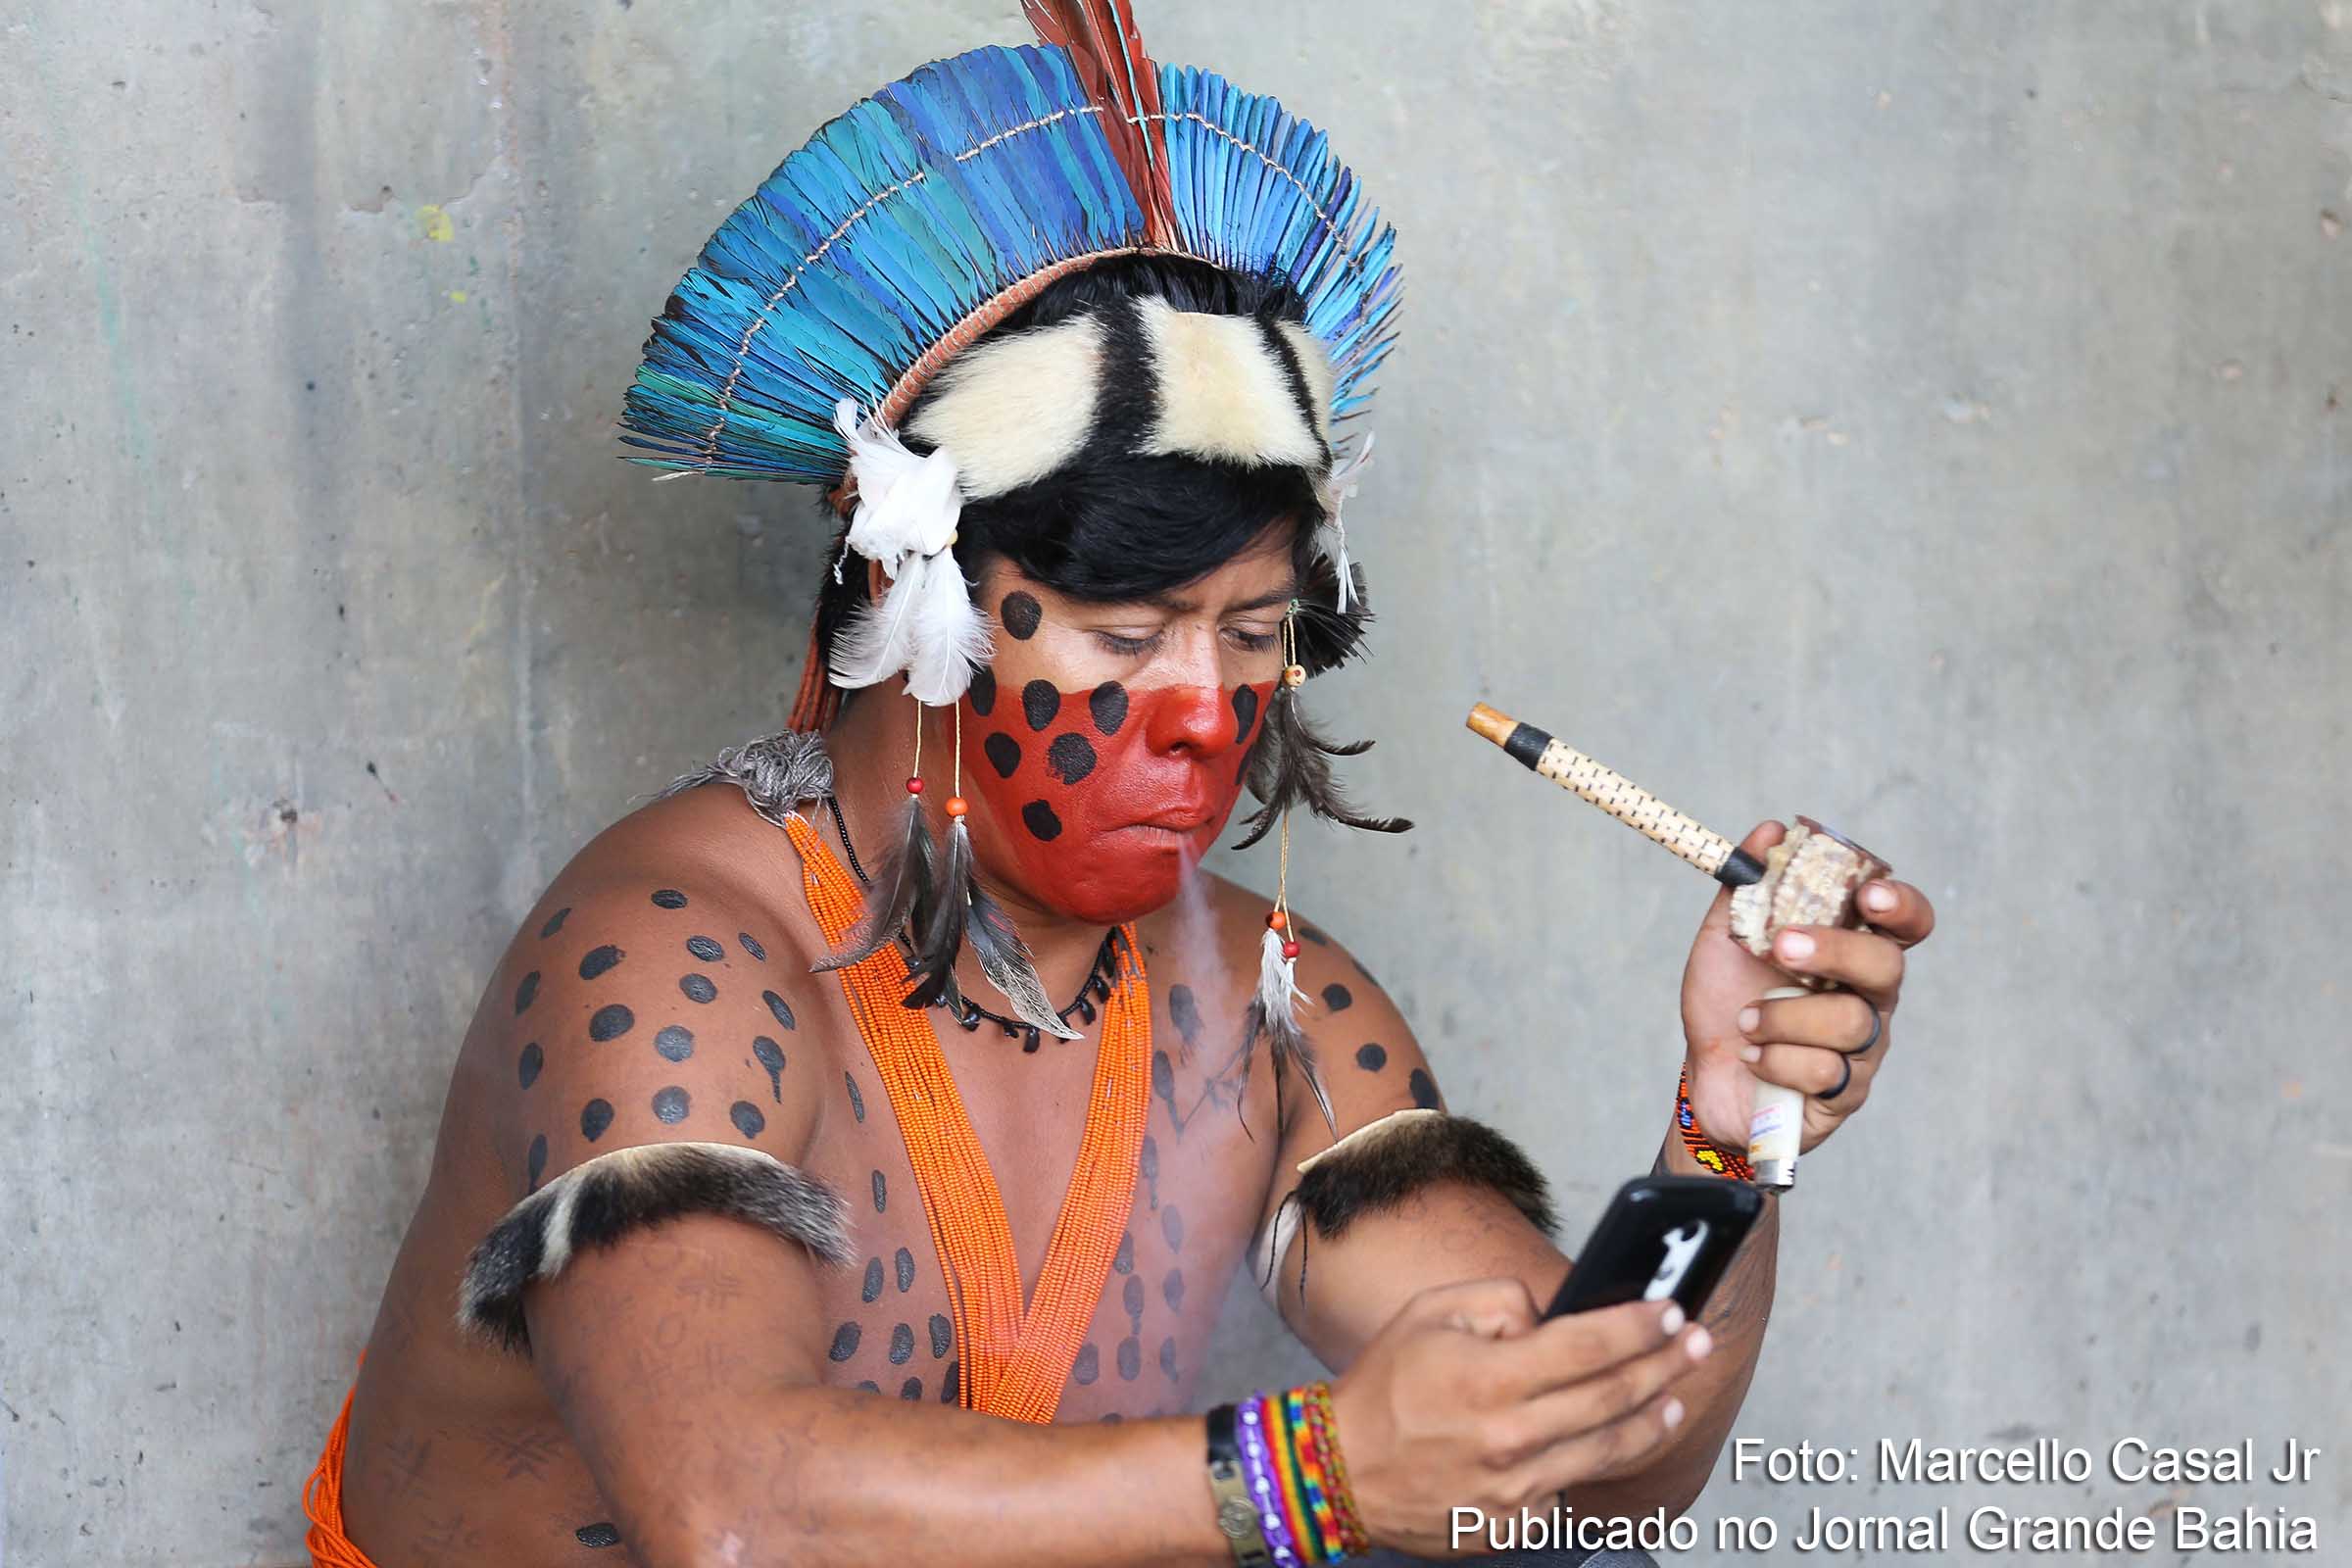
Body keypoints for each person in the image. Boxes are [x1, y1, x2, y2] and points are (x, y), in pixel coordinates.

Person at [302, 9, 1936, 1566]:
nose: (1200, 715)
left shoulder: (1269, 1001)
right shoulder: (675, 960)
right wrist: (1318, 1475)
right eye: (1124, 633)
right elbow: (736, 1521)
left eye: (1248, 637)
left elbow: (1587, 1486)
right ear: (927, 595)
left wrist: (1727, 1141)